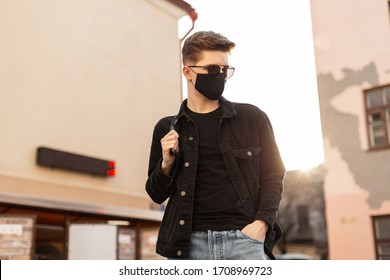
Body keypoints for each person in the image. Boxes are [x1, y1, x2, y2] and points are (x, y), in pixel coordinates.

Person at [145, 31, 285, 260]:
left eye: (225, 70)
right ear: (187, 72)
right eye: (212, 69)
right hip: (188, 246)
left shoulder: (252, 118)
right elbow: (156, 193)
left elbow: (273, 175)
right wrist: (167, 164)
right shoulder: (168, 128)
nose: (220, 75)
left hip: (244, 242)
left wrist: (261, 224)